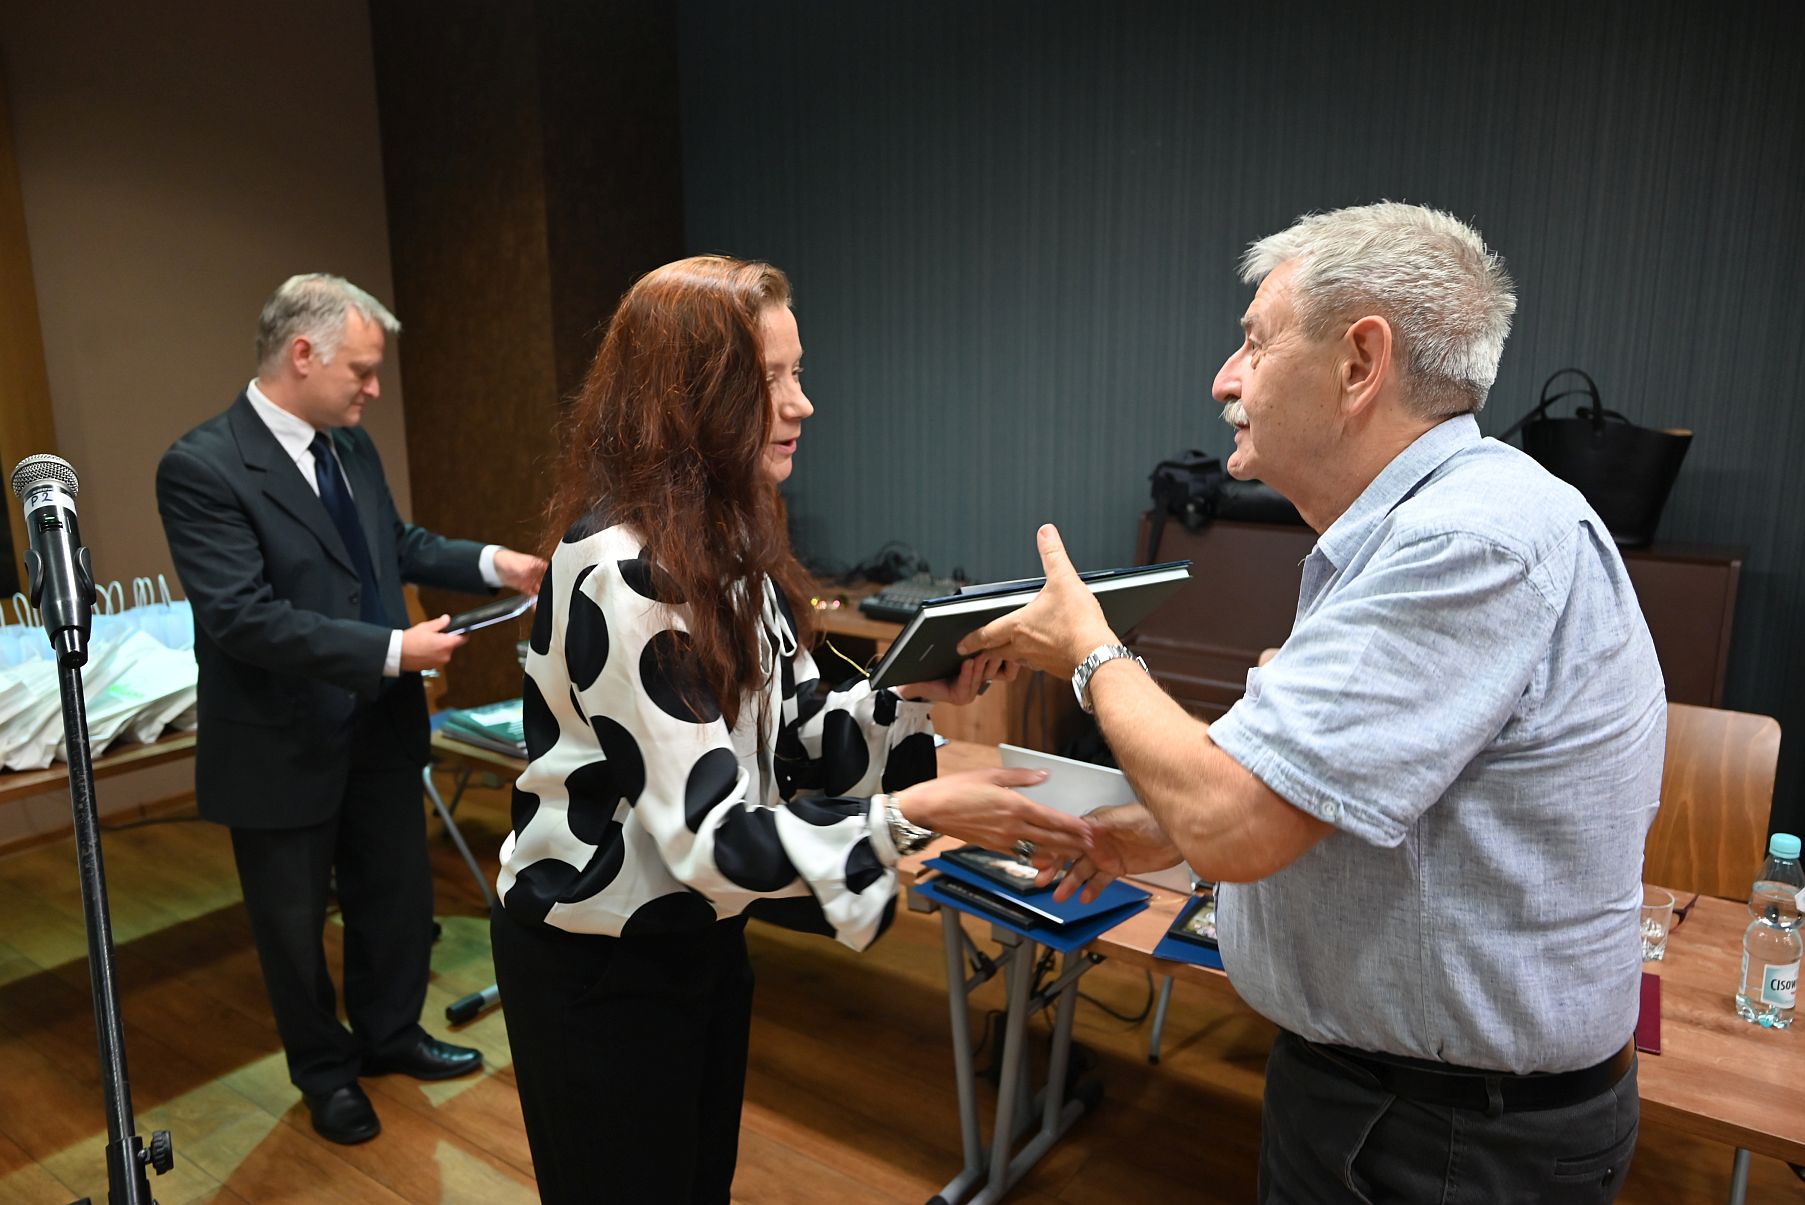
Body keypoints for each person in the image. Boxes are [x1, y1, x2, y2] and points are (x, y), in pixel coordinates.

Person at [960, 203, 1666, 1202]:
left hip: (1443, 1136)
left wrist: (1089, 650)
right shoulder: (1431, 525)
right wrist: (1159, 830)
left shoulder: (1466, 542)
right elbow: (1335, 782)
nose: (1225, 379)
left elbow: (1234, 820)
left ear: (1358, 363)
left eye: (1254, 341)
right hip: (1399, 1102)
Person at [488, 255, 1093, 1204]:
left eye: (796, 372)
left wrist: (910, 690)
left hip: (698, 935)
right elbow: (708, 836)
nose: (801, 403)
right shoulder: (623, 568)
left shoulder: (726, 541)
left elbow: (796, 732)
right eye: (768, 379)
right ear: (688, 397)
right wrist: (910, 814)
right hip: (600, 956)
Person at [155, 274, 548, 1145]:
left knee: (394, 895)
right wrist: (393, 649)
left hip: (377, 723)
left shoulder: (349, 445)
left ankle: (391, 1033)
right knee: (292, 928)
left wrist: (498, 564)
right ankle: (325, 1074)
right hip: (280, 739)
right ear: (303, 353)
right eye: (362, 371)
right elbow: (242, 617)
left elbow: (393, 544)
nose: (373, 388)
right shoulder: (201, 467)